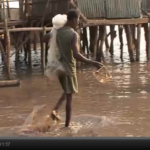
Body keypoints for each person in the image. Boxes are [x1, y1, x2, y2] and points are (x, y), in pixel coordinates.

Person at [43, 9, 101, 128]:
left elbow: (43, 38)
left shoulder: (57, 32)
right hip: (69, 68)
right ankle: (67, 126)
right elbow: (75, 54)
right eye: (78, 20)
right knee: (69, 98)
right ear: (74, 20)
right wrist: (91, 62)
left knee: (67, 90)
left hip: (59, 68)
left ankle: (55, 110)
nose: (78, 23)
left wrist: (53, 32)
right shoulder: (73, 34)